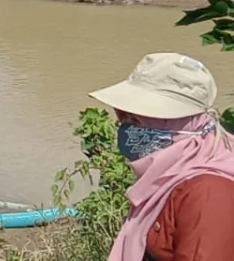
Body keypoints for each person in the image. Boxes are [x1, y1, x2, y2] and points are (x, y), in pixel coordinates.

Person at [88, 52, 234, 261]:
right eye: (123, 118)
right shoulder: (169, 176)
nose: (126, 128)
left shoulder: (207, 192)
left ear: (179, 122)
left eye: (136, 120)